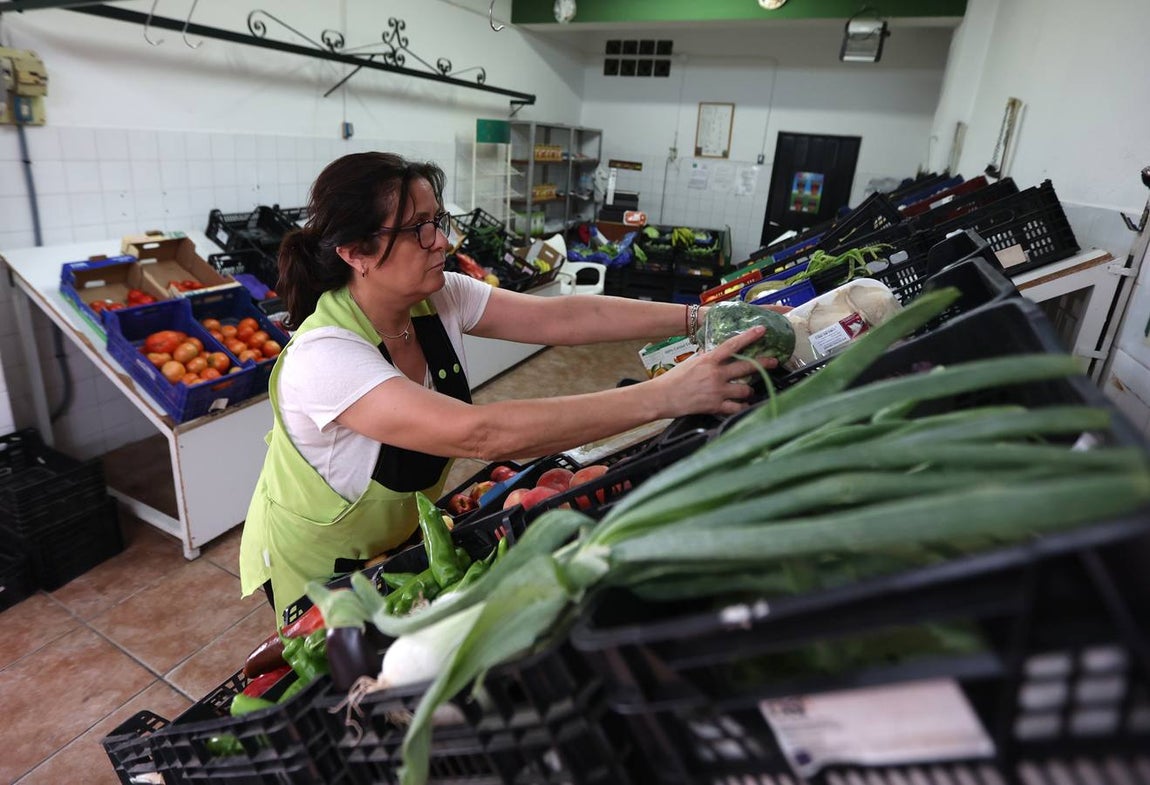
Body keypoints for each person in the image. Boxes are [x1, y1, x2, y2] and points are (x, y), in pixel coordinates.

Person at [239, 152, 785, 622]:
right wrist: (667, 396)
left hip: (398, 540)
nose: (442, 243)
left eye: (439, 221)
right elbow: (481, 434)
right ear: (355, 252)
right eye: (418, 229)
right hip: (320, 564)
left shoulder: (439, 296)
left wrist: (699, 317)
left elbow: (567, 320)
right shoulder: (326, 356)